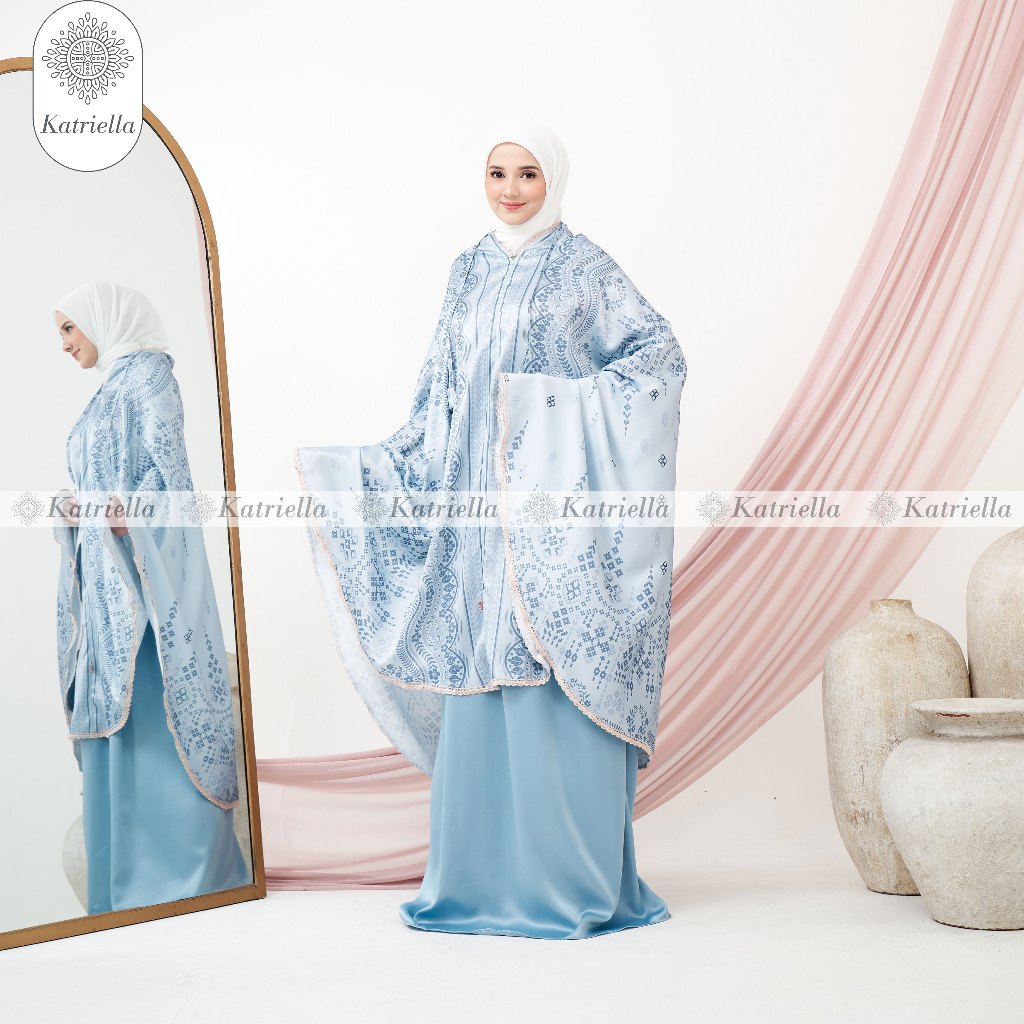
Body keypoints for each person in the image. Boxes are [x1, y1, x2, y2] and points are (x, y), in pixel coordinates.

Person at [295, 121, 687, 938]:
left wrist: (547, 415)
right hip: (475, 529)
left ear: (555, 180)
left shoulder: (586, 270)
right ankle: (475, 882)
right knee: (480, 674)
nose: (510, 189)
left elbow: (657, 363)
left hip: (553, 527)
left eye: (528, 173)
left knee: (547, 676)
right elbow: (437, 398)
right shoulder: (466, 271)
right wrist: (369, 470)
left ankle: (565, 885)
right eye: (497, 172)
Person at [53, 281, 249, 914]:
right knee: (121, 735)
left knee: (158, 723)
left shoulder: (150, 379)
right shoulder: (107, 391)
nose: (65, 344)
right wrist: (75, 510)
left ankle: (185, 888)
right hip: (108, 600)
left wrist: (123, 515)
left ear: (102, 318)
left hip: (145, 593)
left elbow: (174, 491)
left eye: (69, 328)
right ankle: (126, 896)